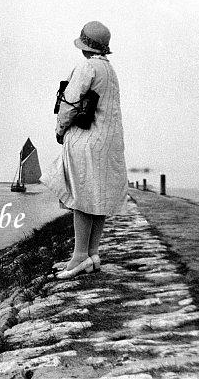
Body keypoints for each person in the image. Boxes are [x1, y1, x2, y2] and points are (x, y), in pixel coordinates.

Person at [41, 21, 128, 279]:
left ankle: (78, 257)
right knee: (97, 196)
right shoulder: (110, 70)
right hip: (109, 142)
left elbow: (69, 103)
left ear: (85, 46)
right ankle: (92, 253)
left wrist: (59, 130)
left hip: (87, 139)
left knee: (81, 196)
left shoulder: (87, 66)